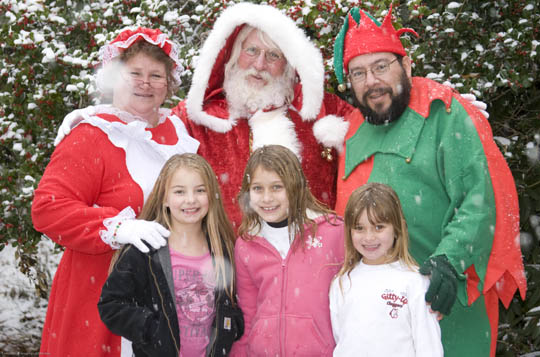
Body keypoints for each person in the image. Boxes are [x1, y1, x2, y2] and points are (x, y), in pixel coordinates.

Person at [55, 2, 487, 232]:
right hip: (222, 274)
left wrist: (441, 106)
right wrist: (98, 117)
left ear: (291, 66)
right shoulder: (202, 119)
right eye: (252, 50)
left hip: (312, 271)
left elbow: (385, 114)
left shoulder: (321, 116)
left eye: (274, 56)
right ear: (231, 57)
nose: (260, 64)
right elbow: (147, 121)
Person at [333, 5, 527, 356]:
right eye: (358, 73)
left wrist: (449, 261)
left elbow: (478, 200)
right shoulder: (351, 128)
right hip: (383, 319)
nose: (371, 82)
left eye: (381, 67)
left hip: (449, 300)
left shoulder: (445, 113)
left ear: (406, 66)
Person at [32, 27, 200, 356]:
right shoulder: (91, 135)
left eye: (156, 75)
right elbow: (48, 208)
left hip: (169, 292)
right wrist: (118, 227)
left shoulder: (179, 131)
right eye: (134, 73)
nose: (145, 82)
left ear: (169, 84)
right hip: (102, 291)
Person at [98, 153, 244, 357]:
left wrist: (231, 328)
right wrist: (151, 329)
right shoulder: (146, 250)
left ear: (211, 194)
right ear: (164, 198)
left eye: (200, 190)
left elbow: (231, 302)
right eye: (180, 192)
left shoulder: (223, 248)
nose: (191, 200)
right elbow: (111, 304)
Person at [231, 145, 344, 356]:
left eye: (276, 187)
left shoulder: (333, 233)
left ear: (295, 187)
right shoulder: (247, 245)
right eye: (257, 188)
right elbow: (247, 313)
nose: (267, 198)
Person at [329, 182, 443, 357]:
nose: (369, 237)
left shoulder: (414, 281)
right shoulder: (342, 282)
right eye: (359, 228)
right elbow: (341, 338)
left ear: (397, 229)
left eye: (379, 227)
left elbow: (428, 347)